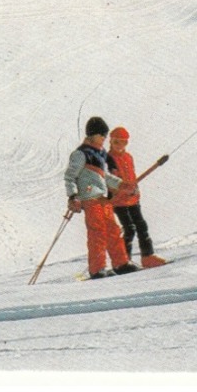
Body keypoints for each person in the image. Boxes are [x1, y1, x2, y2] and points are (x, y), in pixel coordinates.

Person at [64, 116, 135, 278]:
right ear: (92, 135)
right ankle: (97, 269)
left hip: (103, 200)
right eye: (101, 135)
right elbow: (70, 177)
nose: (104, 138)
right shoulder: (80, 154)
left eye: (105, 135)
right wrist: (73, 196)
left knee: (113, 230)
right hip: (90, 199)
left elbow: (105, 177)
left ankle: (121, 263)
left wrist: (122, 184)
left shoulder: (100, 153)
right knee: (97, 232)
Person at [109, 126, 167, 268]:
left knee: (141, 225)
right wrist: (123, 189)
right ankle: (122, 261)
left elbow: (132, 177)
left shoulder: (128, 157)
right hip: (118, 201)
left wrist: (134, 189)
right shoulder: (108, 159)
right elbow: (110, 181)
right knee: (129, 228)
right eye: (116, 142)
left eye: (123, 142)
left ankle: (148, 256)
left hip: (132, 199)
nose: (119, 146)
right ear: (110, 141)